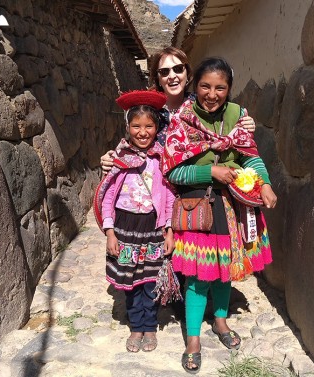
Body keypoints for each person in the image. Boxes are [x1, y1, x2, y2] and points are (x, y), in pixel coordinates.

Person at [162, 57, 277, 374]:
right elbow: (173, 173)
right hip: (199, 209)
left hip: (235, 208)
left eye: (220, 88)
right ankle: (194, 339)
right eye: (205, 86)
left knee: (225, 271)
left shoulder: (237, 116)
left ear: (229, 89)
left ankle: (222, 323)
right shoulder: (181, 121)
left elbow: (250, 157)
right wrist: (210, 171)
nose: (212, 94)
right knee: (198, 278)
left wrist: (264, 184)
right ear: (194, 85)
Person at [93, 90, 176, 353]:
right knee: (130, 282)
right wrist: (110, 232)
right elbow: (107, 197)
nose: (142, 132)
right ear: (128, 127)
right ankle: (136, 327)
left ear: (157, 127)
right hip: (125, 229)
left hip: (152, 230)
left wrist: (169, 230)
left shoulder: (161, 159)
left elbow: (170, 197)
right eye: (136, 126)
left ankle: (150, 327)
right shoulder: (119, 159)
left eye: (149, 126)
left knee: (150, 281)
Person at [99, 46, 256, 171]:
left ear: (187, 73)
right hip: (159, 191)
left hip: (196, 190)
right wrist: (112, 156)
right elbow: (134, 142)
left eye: (178, 69)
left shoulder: (203, 104)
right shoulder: (149, 112)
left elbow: (227, 121)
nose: (172, 75)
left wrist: (243, 122)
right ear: (158, 79)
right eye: (164, 71)